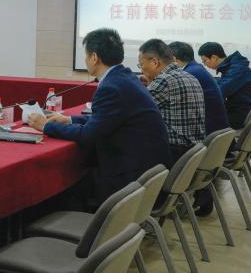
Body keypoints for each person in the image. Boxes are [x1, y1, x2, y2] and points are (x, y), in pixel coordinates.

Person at [26, 28, 171, 205]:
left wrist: (45, 126)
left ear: (94, 57)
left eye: (86, 55)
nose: (85, 60)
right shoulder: (125, 77)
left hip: (131, 176)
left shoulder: (112, 86)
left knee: (62, 187)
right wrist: (69, 119)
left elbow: (89, 135)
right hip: (148, 168)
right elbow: (108, 120)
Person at [169, 41, 229, 217]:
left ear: (174, 59)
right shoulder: (196, 70)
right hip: (215, 133)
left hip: (207, 133)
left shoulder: (189, 74)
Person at [137, 38, 206, 163]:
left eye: (141, 65)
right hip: (193, 150)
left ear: (154, 62)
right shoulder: (189, 76)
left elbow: (134, 110)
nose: (141, 70)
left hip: (174, 152)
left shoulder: (164, 80)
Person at [198, 42, 251, 130]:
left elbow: (220, 92)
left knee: (205, 122)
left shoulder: (236, 69)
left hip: (246, 114)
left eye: (205, 61)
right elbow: (223, 85)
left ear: (214, 57)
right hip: (244, 110)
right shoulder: (232, 67)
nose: (205, 65)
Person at [168, 41, 229, 134]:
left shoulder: (188, 74)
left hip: (209, 131)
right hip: (218, 129)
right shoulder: (195, 68)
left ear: (174, 59)